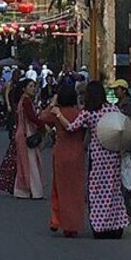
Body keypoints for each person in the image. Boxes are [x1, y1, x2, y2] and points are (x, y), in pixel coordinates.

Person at [52, 81, 130, 239]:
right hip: (113, 154)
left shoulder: (88, 113)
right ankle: (116, 225)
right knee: (113, 191)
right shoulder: (113, 109)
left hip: (98, 157)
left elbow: (71, 127)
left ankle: (100, 225)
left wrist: (59, 114)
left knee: (97, 191)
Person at [40, 85, 85, 237]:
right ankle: (72, 225)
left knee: (59, 188)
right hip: (77, 153)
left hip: (61, 153)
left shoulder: (56, 112)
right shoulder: (80, 113)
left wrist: (53, 103)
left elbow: (41, 117)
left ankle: (56, 219)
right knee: (76, 190)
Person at [13, 78, 47, 199]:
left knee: (24, 162)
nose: (33, 88)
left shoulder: (23, 100)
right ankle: (35, 191)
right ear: (24, 88)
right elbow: (32, 117)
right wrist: (43, 124)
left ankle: (22, 190)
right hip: (27, 133)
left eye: (34, 86)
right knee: (31, 162)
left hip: (22, 132)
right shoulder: (26, 101)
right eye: (30, 86)